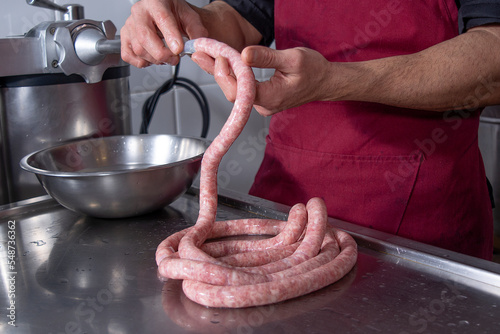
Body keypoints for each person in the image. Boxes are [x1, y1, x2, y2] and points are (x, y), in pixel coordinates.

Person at [121, 0, 500, 260]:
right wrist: (184, 18)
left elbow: (494, 54)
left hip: (421, 225)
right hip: (284, 209)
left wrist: (335, 81)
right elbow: (237, 17)